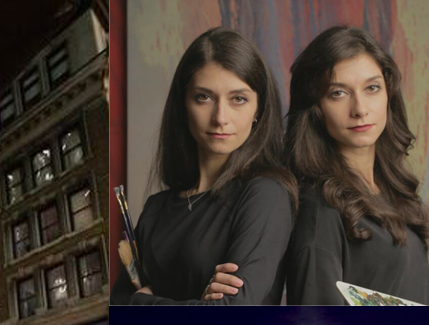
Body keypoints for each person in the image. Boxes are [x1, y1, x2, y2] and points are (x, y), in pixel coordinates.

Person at [111, 27, 297, 305]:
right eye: (204, 97)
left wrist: (141, 303)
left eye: (239, 99)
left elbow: (229, 319)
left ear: (258, 109)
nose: (220, 117)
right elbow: (115, 313)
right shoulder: (155, 209)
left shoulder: (266, 194)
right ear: (183, 105)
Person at [279, 27, 429, 304]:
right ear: (316, 108)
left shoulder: (397, 193)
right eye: (338, 93)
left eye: (372, 88)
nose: (360, 108)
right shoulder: (319, 210)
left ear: (388, 95)